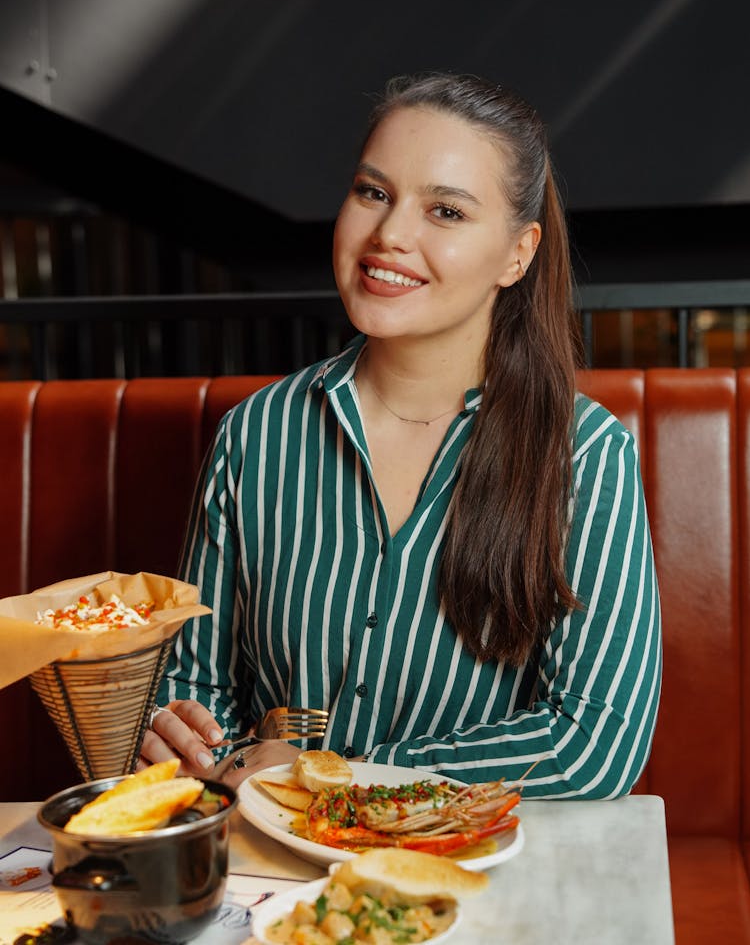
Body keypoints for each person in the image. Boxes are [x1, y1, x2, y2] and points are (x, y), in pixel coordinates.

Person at [141, 71, 661, 795]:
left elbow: (594, 745)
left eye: (445, 211)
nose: (389, 235)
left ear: (518, 253)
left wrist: (344, 780)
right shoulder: (255, 434)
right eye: (373, 193)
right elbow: (194, 683)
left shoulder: (585, 453)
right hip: (271, 870)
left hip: (467, 870)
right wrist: (185, 736)